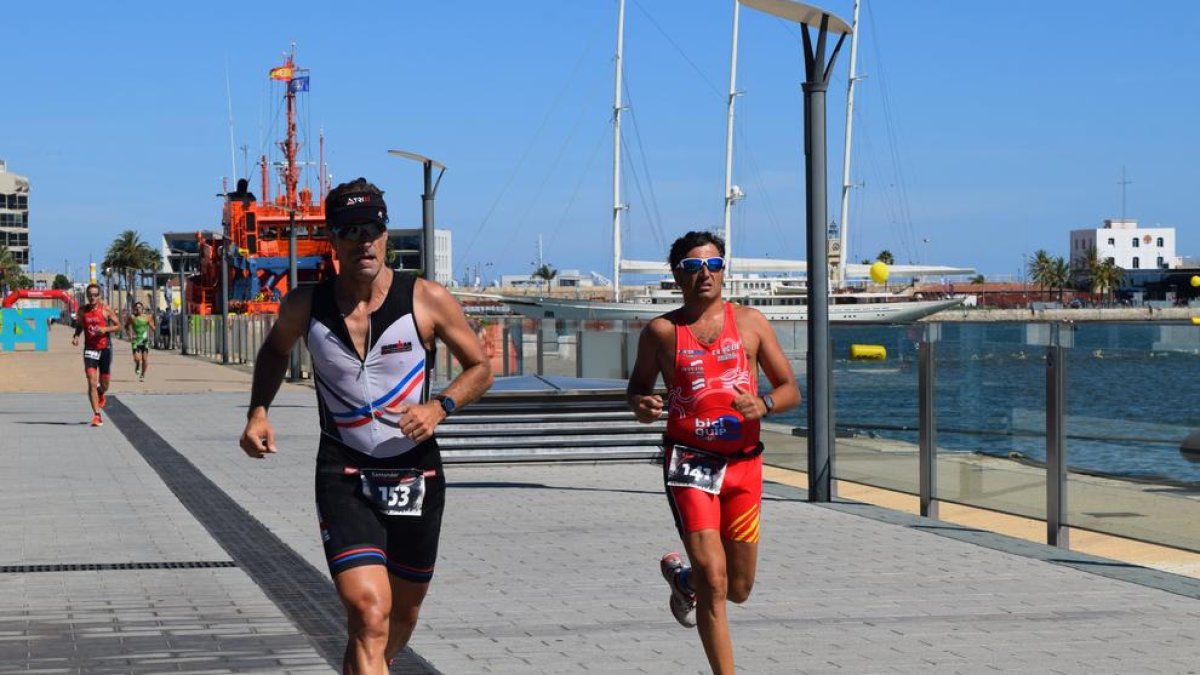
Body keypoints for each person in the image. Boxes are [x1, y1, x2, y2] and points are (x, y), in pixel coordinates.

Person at [239, 177, 493, 673]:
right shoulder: (305, 305)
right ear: (333, 239)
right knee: (368, 614)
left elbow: (481, 368)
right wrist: (258, 411)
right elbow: (273, 351)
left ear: (385, 235)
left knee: (400, 618)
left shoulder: (425, 299)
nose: (364, 241)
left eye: (373, 229)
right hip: (344, 473)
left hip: (415, 474)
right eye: (351, 231)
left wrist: (439, 407)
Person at [627, 231, 799, 675]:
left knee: (739, 587)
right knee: (716, 580)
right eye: (692, 267)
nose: (704, 273)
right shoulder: (662, 332)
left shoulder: (751, 323)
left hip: (745, 465)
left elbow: (790, 389)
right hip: (690, 463)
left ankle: (683, 582)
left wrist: (762, 405)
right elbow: (638, 389)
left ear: (724, 271)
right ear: (677, 276)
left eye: (714, 265)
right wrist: (643, 406)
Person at [72, 283, 121, 427]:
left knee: (104, 383)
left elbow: (119, 325)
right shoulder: (82, 310)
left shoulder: (105, 309)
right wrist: (76, 335)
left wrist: (105, 329)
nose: (92, 297)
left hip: (105, 349)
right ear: (87, 295)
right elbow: (80, 324)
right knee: (91, 381)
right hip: (90, 349)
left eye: (95, 295)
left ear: (99, 296)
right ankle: (97, 415)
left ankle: (101, 392)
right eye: (90, 295)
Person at [125, 302, 151, 381]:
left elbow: (152, 326)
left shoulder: (147, 317)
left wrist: (153, 327)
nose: (138, 309)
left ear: (142, 309)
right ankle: (137, 365)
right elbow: (126, 326)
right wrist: (130, 336)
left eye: (139, 307)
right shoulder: (132, 317)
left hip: (145, 340)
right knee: (137, 359)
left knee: (145, 359)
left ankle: (142, 375)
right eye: (136, 308)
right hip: (136, 341)